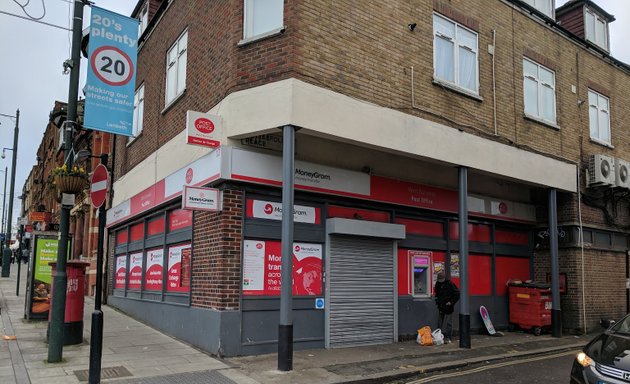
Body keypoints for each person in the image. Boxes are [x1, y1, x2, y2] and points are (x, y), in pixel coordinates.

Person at [434, 271, 460, 343]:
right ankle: (439, 336)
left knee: (448, 323)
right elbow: (437, 293)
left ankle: (448, 337)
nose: (440, 281)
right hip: (441, 305)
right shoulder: (438, 284)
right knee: (440, 322)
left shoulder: (450, 284)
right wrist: (437, 300)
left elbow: (457, 294)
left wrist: (451, 302)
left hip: (448, 306)